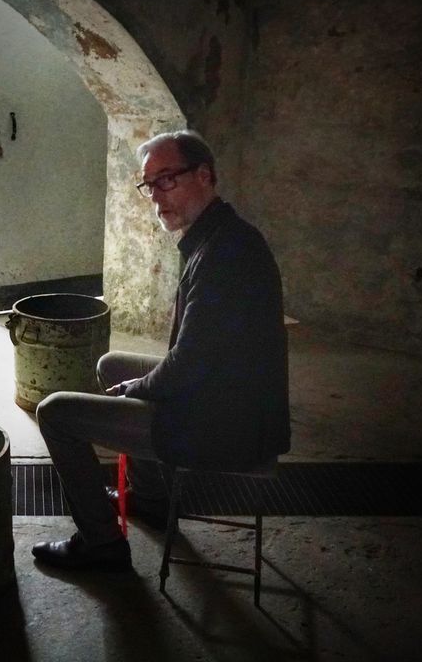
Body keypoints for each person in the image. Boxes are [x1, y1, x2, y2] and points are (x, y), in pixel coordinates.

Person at [32, 129, 290, 571]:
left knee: (55, 412)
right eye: (149, 184)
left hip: (228, 426)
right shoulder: (220, 235)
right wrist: (140, 384)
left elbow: (187, 365)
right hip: (228, 397)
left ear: (205, 175)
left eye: (167, 179)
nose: (156, 196)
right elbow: (197, 357)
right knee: (112, 364)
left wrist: (141, 389)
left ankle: (102, 546)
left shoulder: (224, 255)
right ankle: (149, 497)